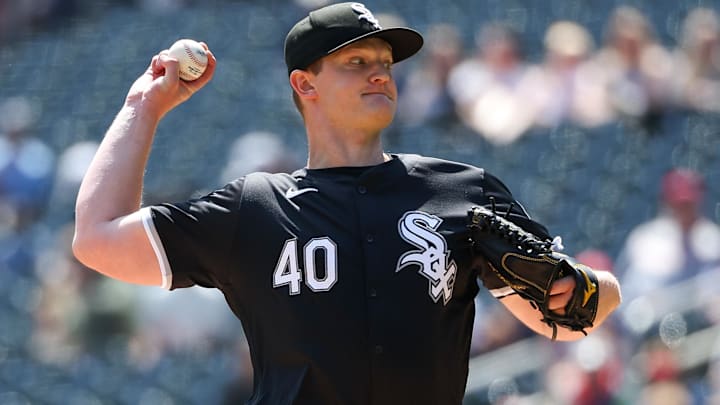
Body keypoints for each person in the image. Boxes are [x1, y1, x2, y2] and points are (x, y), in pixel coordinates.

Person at [72, 3, 622, 403]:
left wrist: (582, 287)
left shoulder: (462, 191)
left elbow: (572, 321)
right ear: (304, 85)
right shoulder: (255, 208)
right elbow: (97, 239)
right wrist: (143, 107)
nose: (380, 70)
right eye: (355, 61)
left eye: (384, 59)